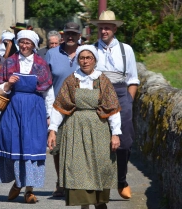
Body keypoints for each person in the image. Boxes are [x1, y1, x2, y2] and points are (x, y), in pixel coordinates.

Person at [47, 45, 121, 209]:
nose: (85, 61)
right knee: (78, 167)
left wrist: (115, 133)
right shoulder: (71, 80)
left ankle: (100, 203)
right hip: (75, 128)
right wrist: (53, 130)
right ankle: (84, 205)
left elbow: (112, 109)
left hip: (99, 128)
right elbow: (60, 107)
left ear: (95, 60)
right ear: (78, 60)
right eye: (82, 58)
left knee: (101, 164)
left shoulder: (102, 80)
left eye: (89, 58)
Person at [0, 30, 54, 204]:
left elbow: (48, 93)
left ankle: (29, 190)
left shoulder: (41, 63)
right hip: (13, 109)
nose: (25, 46)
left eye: (28, 43)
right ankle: (18, 183)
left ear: (34, 45)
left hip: (34, 110)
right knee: (15, 145)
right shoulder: (9, 62)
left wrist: (49, 116)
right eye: (22, 42)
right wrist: (8, 84)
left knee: (32, 147)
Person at [89, 10, 140, 199]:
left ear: (114, 28)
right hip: (98, 94)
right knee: (98, 141)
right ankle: (99, 183)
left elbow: (133, 79)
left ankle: (121, 180)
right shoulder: (91, 49)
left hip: (121, 94)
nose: (104, 31)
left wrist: (129, 100)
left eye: (107, 28)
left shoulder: (126, 50)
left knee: (124, 142)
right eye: (101, 28)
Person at [45, 22, 81, 197]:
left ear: (79, 35)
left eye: (74, 34)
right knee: (57, 148)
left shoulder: (86, 54)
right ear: (63, 35)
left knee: (78, 147)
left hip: (81, 108)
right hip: (57, 107)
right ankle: (60, 182)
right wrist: (47, 112)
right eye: (68, 33)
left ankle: (75, 182)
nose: (71, 37)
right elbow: (45, 83)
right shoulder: (51, 54)